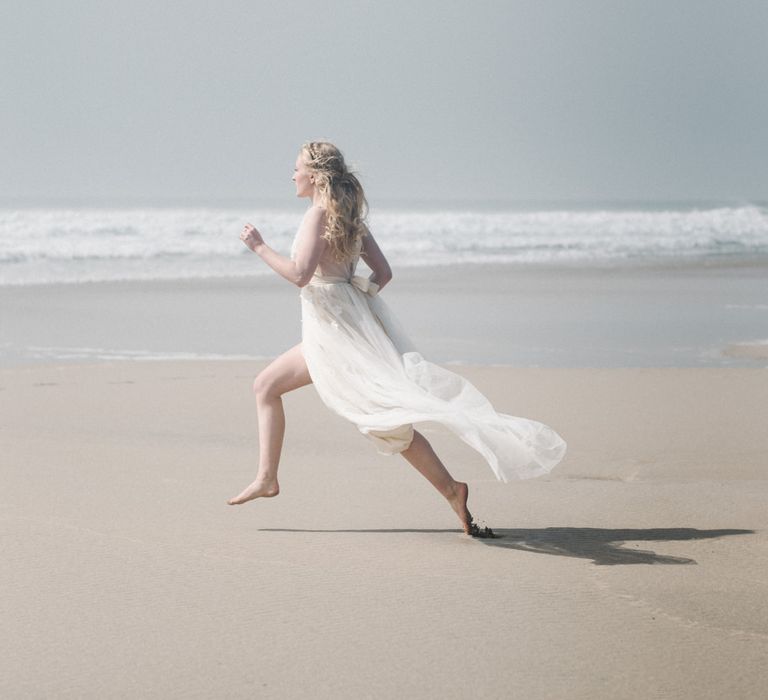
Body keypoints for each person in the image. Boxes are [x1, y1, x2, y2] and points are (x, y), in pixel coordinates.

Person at [227, 141, 566, 535]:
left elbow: (300, 275)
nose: (292, 175)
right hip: (341, 325)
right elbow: (383, 274)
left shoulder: (317, 216)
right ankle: (268, 478)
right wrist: (354, 300)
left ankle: (451, 489)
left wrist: (259, 247)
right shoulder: (348, 216)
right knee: (269, 386)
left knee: (381, 417)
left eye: (297, 168)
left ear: (315, 176)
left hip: (334, 329)